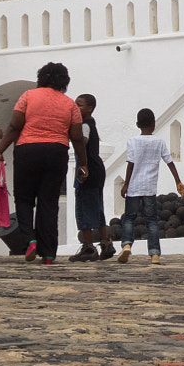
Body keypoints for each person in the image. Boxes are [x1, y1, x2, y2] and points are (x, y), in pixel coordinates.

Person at [5, 62, 90, 266]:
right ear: (64, 81)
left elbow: (15, 125)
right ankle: (49, 253)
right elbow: (77, 137)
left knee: (24, 199)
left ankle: (30, 240)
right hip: (57, 152)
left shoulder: (27, 96)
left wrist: (0, 149)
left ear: (41, 77)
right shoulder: (69, 104)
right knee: (48, 203)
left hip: (27, 151)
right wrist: (83, 164)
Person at [116, 107, 184, 264]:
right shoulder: (159, 142)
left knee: (129, 218)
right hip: (149, 188)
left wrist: (126, 184)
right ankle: (154, 254)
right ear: (154, 124)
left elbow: (130, 164)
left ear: (137, 124)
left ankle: (127, 244)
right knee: (152, 220)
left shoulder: (132, 142)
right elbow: (170, 162)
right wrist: (178, 181)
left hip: (134, 187)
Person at [68, 93, 115, 262]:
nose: (76, 107)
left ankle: (89, 247)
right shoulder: (89, 124)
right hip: (97, 169)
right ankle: (106, 243)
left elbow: (81, 141)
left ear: (90, 109)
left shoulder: (85, 125)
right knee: (97, 207)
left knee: (83, 207)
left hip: (87, 170)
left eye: (79, 105)